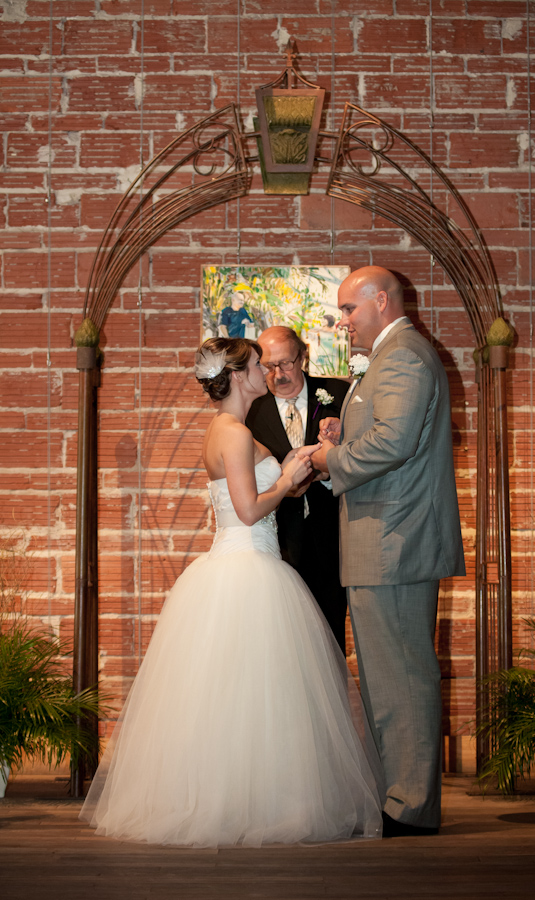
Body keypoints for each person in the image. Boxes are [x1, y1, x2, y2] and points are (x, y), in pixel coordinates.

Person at [80, 337, 383, 848]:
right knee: (263, 692)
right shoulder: (235, 434)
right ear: (240, 376)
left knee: (246, 693)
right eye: (258, 364)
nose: (267, 370)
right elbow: (249, 509)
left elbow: (272, 481)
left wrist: (302, 464)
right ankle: (264, 803)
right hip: (249, 562)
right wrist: (286, 481)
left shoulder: (229, 430)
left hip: (241, 561)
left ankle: (244, 796)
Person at [308, 266, 465, 837]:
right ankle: (400, 798)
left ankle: (411, 807)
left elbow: (395, 442)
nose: (342, 322)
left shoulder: (402, 354)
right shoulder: (397, 355)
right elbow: (390, 437)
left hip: (396, 542)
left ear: (380, 300)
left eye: (349, 309)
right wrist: (342, 441)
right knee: (386, 679)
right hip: (386, 540)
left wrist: (329, 460)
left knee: (402, 677)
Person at [245, 326, 349, 650]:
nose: (277, 374)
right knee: (281, 643)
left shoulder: (338, 395)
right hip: (278, 544)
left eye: (286, 363)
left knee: (330, 641)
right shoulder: (250, 407)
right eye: (268, 366)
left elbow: (361, 455)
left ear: (303, 356)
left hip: (332, 539)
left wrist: (328, 472)